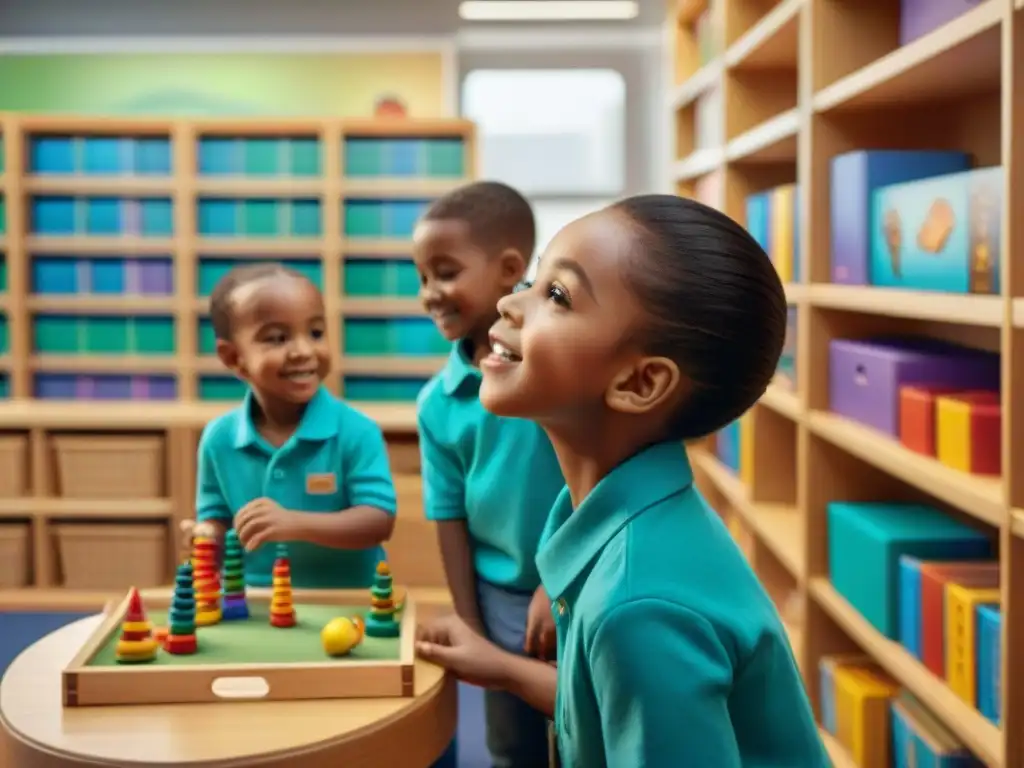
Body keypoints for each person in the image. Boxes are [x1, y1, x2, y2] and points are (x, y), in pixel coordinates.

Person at [416, 194, 832, 767]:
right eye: (534, 283)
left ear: (639, 384)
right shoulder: (613, 518)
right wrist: (505, 669)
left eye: (557, 295)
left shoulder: (638, 605)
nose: (511, 303)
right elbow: (600, 709)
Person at [412, 181, 565, 767]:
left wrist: (558, 583)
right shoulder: (438, 403)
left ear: (509, 270)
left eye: (445, 272)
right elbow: (448, 518)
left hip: (579, 584)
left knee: (593, 733)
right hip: (499, 598)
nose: (430, 293)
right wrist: (472, 623)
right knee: (511, 747)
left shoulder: (554, 367)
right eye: (422, 277)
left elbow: (598, 470)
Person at [179, 263, 397, 589]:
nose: (303, 351)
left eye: (316, 333)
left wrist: (293, 523)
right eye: (278, 338)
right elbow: (217, 518)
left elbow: (378, 521)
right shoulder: (219, 439)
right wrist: (205, 535)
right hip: (251, 597)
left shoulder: (356, 431)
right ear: (233, 358)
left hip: (347, 598)